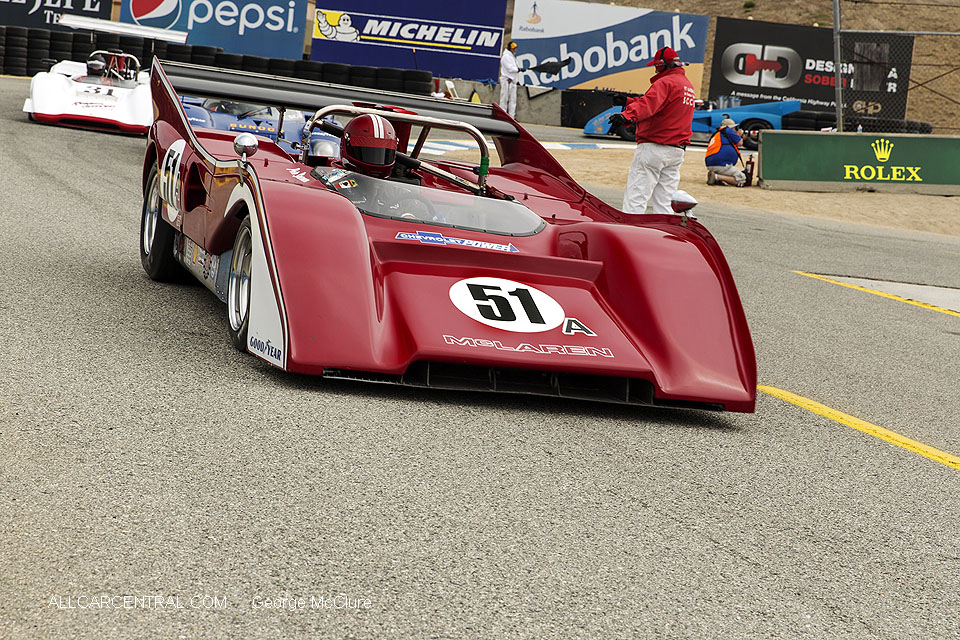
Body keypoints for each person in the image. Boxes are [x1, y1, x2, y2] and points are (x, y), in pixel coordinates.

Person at [608, 46, 696, 214]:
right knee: (665, 202)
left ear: (663, 65)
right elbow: (661, 104)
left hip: (655, 147)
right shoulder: (686, 85)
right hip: (676, 151)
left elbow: (649, 104)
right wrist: (628, 101)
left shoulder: (665, 82)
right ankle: (663, 235)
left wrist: (627, 115)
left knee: (636, 196)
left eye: (657, 66)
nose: (655, 69)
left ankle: (631, 234)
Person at [705, 118, 746, 187]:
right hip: (722, 164)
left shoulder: (717, 134)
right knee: (742, 179)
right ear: (731, 127)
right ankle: (716, 177)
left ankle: (716, 177)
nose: (735, 130)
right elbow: (740, 143)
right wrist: (739, 136)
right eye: (735, 128)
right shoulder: (728, 130)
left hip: (712, 164)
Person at [499, 41, 520, 119]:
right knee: (504, 99)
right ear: (509, 48)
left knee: (513, 101)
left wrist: (518, 69)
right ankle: (502, 116)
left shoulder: (512, 57)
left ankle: (511, 117)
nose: (515, 50)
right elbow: (510, 69)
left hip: (512, 82)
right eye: (513, 48)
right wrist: (518, 69)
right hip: (506, 81)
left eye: (515, 48)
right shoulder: (506, 57)